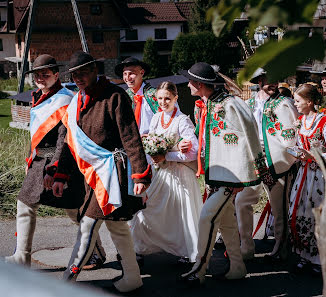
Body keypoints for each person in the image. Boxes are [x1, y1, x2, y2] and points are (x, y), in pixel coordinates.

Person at [52, 51, 151, 293]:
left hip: (111, 174)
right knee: (117, 228)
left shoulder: (115, 96)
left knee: (88, 225)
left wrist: (140, 174)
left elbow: (130, 136)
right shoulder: (76, 101)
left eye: (83, 73)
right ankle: (133, 277)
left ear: (95, 71)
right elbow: (68, 141)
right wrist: (60, 174)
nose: (78, 78)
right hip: (91, 176)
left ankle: (66, 283)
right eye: (74, 75)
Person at [179, 62, 273, 285]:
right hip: (217, 175)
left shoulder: (231, 104)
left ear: (200, 84)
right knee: (226, 222)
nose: (188, 85)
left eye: (191, 82)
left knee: (207, 218)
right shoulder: (207, 104)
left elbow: (249, 136)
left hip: (231, 177)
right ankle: (238, 267)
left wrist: (248, 174)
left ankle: (200, 268)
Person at [5, 54, 84, 266]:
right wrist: (30, 159)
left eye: (45, 74)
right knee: (25, 204)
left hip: (59, 163)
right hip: (38, 162)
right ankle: (22, 256)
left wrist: (56, 168)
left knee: (74, 210)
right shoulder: (38, 97)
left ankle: (95, 250)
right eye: (37, 75)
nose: (40, 78)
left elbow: (63, 139)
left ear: (56, 75)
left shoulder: (65, 99)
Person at [129, 81, 201, 263]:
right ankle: (139, 248)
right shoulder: (155, 118)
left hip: (181, 174)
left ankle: (188, 251)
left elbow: (193, 152)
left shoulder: (182, 120)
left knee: (182, 215)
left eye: (167, 98)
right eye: (160, 98)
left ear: (175, 98)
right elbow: (150, 144)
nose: (163, 102)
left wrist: (167, 156)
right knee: (146, 211)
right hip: (160, 173)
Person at [236, 68, 299, 261]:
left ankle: (281, 248)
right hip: (253, 162)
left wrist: (283, 162)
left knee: (278, 208)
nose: (273, 84)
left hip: (277, 161)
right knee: (242, 201)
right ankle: (246, 246)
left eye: (276, 79)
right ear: (259, 81)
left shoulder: (284, 104)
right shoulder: (249, 104)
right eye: (268, 80)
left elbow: (291, 137)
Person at [288, 83, 326, 274]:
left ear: (310, 102)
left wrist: (314, 156)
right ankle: (304, 254)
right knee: (299, 214)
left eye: (298, 100)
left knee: (317, 216)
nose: (295, 104)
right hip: (302, 175)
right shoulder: (301, 121)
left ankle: (320, 258)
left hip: (319, 176)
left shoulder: (325, 122)